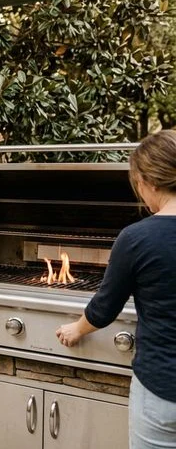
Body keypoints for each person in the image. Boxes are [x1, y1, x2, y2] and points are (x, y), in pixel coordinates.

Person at [56, 129, 176, 448]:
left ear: (150, 182)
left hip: (163, 389)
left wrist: (77, 330)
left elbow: (105, 308)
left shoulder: (137, 238)